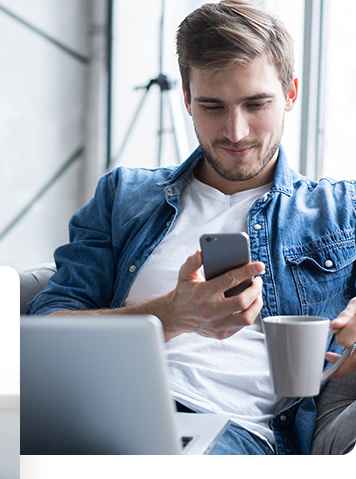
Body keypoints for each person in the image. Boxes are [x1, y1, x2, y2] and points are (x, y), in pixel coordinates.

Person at [27, 0, 355, 454]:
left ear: (291, 94)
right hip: (102, 412)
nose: (236, 132)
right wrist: (171, 314)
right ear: (186, 99)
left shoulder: (341, 209)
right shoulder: (123, 196)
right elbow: (47, 326)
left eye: (256, 104)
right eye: (212, 106)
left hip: (227, 432)